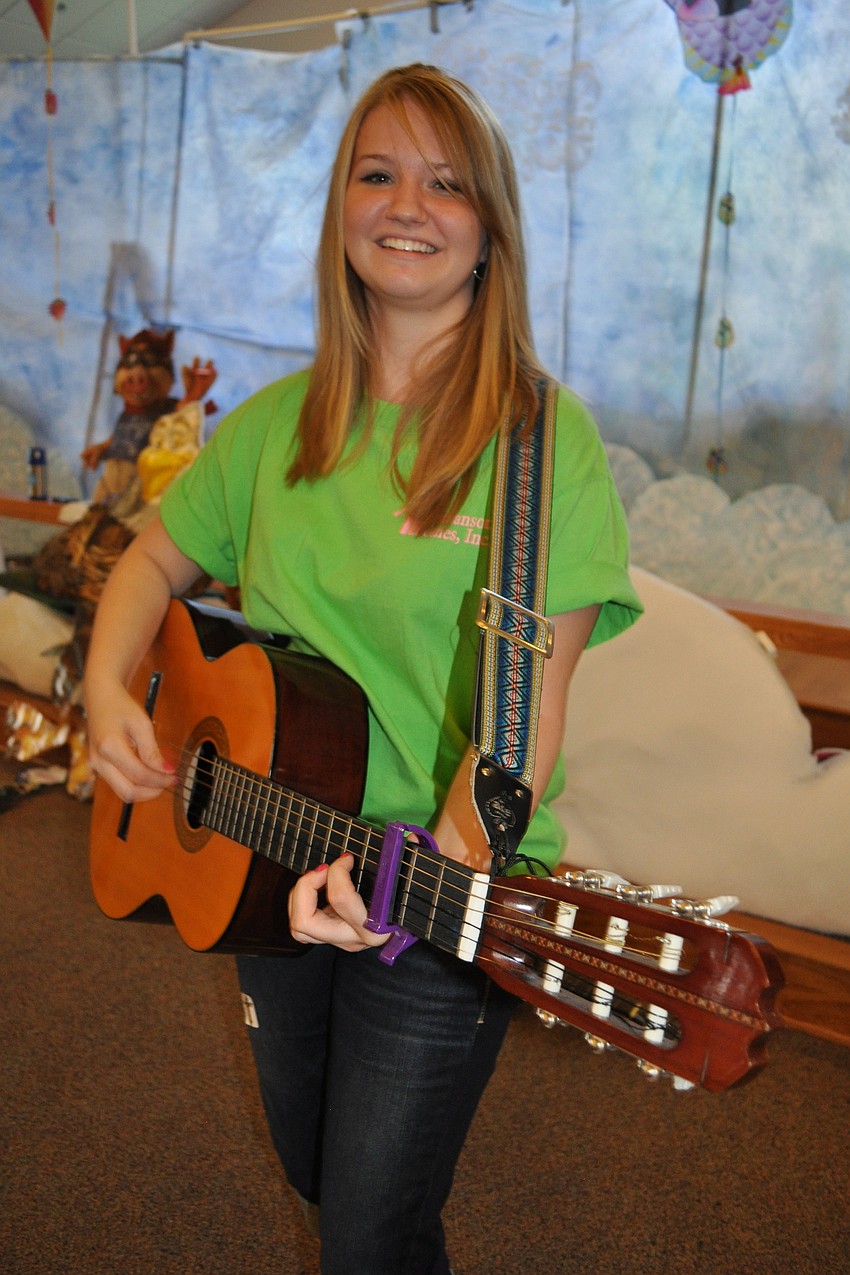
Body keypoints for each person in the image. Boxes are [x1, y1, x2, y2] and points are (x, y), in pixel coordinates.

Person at [84, 63, 642, 1275]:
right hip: (265, 846)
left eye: (446, 184)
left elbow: (529, 711)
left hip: (441, 882)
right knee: (311, 1164)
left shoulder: (545, 447)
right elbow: (149, 560)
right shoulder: (278, 423)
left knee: (373, 1225)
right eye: (378, 174)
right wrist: (109, 686)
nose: (407, 205)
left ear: (490, 229)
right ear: (341, 208)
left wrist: (424, 874)